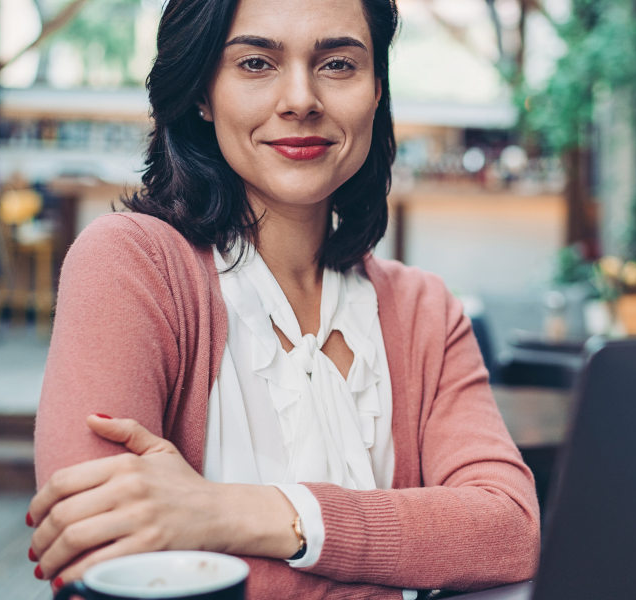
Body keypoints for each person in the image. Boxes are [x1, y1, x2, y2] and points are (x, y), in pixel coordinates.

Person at [27, 0, 540, 598]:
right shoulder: (131, 265)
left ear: (377, 90)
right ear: (201, 91)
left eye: (339, 64)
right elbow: (99, 561)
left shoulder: (426, 310)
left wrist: (230, 514)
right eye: (254, 62)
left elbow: (509, 530)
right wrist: (413, 568)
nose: (300, 99)